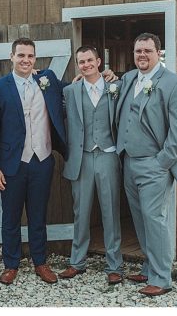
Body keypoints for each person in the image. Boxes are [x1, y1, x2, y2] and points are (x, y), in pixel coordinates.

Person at [0, 37, 68, 285]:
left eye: (30, 56)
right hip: (12, 163)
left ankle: (40, 263)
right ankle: (11, 265)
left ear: (35, 58)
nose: (26, 60)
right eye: (21, 55)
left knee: (39, 215)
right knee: (10, 217)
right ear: (12, 57)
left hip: (42, 159)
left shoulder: (47, 80)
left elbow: (72, 87)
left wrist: (104, 75)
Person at [115, 33, 177, 296]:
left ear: (159, 53)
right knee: (140, 219)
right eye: (138, 51)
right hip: (129, 161)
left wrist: (163, 162)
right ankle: (150, 267)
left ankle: (161, 278)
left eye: (148, 51)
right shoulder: (127, 79)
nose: (142, 56)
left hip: (154, 165)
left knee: (154, 219)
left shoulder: (175, 83)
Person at [59, 46, 125, 285]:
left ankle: (114, 265)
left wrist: (115, 76)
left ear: (99, 62)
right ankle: (77, 262)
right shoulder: (70, 90)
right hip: (82, 157)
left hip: (108, 155)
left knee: (111, 211)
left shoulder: (115, 87)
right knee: (81, 211)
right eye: (81, 61)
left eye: (89, 60)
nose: (85, 65)